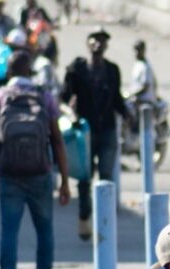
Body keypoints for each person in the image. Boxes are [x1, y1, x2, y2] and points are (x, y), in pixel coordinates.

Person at [0, 51, 71, 269]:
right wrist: (64, 180)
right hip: (40, 173)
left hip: (10, 174)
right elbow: (56, 139)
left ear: (9, 72)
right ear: (30, 70)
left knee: (9, 232)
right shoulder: (44, 96)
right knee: (44, 231)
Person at [61, 27, 128, 241]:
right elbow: (63, 98)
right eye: (94, 40)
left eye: (102, 40)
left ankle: (104, 222)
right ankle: (84, 217)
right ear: (87, 43)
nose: (98, 44)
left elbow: (116, 98)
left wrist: (128, 115)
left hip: (107, 129)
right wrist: (70, 113)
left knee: (107, 177)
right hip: (85, 132)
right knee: (85, 177)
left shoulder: (112, 70)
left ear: (107, 45)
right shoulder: (76, 69)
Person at [130, 40, 158, 106]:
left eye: (139, 50)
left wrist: (132, 94)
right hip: (137, 100)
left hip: (144, 102)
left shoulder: (146, 67)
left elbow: (146, 87)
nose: (136, 53)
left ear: (143, 51)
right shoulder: (137, 64)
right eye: (135, 50)